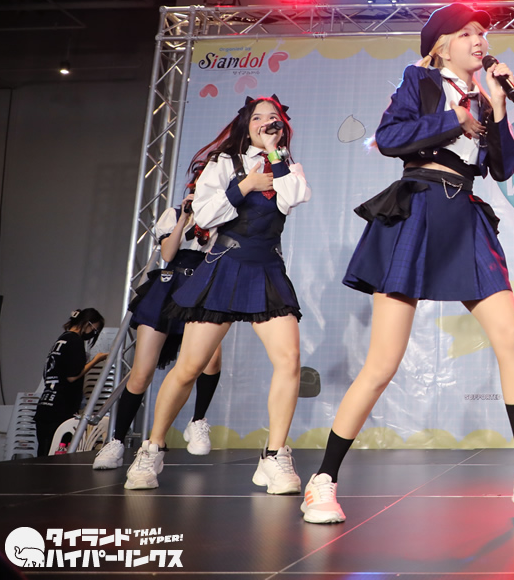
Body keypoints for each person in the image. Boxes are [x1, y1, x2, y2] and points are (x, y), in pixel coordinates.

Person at [301, 3, 514, 525]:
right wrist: (455, 119)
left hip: (464, 216)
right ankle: (323, 479)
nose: (479, 40)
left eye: (482, 32)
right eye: (466, 33)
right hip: (418, 209)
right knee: (382, 363)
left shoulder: (485, 97)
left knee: (511, 338)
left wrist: (497, 109)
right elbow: (390, 138)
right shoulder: (418, 81)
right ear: (441, 46)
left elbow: (503, 170)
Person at [124, 96, 310, 492]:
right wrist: (246, 185)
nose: (266, 123)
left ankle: (274, 456)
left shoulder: (287, 165)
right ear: (246, 124)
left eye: (273, 118)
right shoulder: (224, 163)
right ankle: (152, 448)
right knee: (189, 367)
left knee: (290, 360)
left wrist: (275, 157)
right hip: (224, 265)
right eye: (258, 117)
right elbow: (205, 216)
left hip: (266, 269)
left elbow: (293, 197)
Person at [93, 168, 225, 470]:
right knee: (141, 374)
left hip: (202, 290)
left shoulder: (224, 215)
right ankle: (116, 441)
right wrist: (184, 219)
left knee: (212, 359)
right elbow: (167, 252)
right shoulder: (175, 214)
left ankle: (198, 420)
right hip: (168, 288)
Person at [35, 309, 107, 457]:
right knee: (58, 455)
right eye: (94, 329)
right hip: (61, 407)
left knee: (44, 452)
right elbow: (72, 376)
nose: (93, 333)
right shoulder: (75, 341)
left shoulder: (62, 339)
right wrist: (96, 360)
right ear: (87, 323)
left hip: (46, 404)